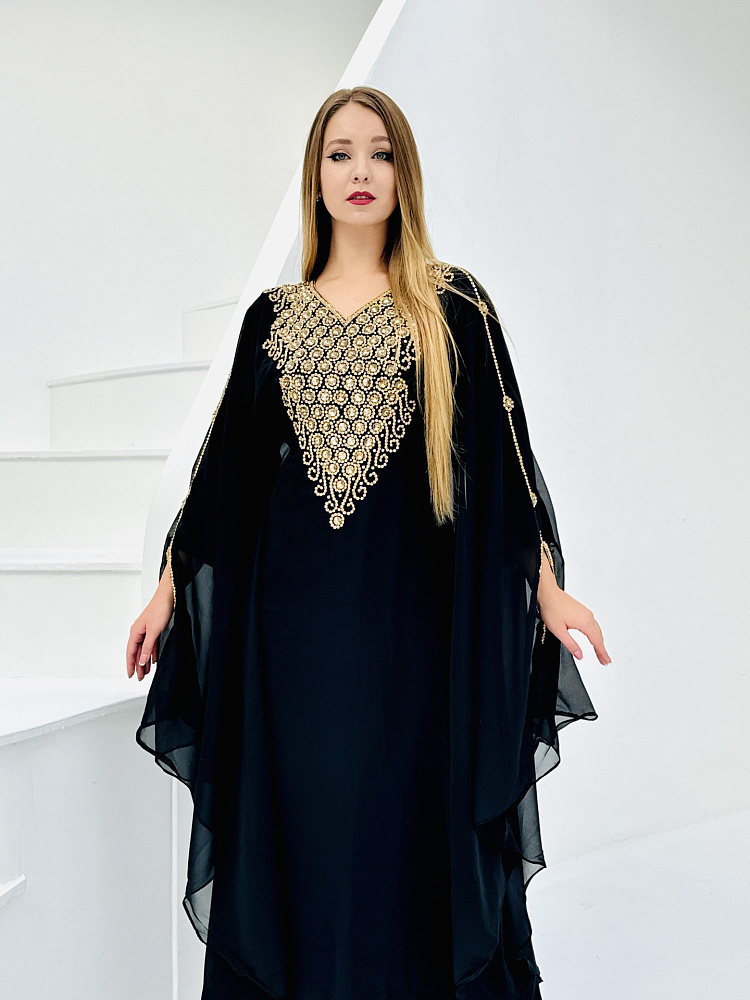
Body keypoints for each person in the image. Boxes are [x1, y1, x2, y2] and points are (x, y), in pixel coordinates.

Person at [126, 85, 609, 1000]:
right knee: (304, 828)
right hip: (290, 638)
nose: (360, 171)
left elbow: (505, 470)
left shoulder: (452, 306)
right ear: (315, 175)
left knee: (402, 824)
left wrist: (549, 590)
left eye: (380, 153)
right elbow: (224, 479)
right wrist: (167, 589)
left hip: (410, 631)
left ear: (404, 174)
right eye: (340, 153)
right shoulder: (272, 317)